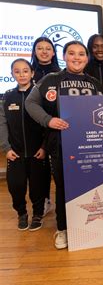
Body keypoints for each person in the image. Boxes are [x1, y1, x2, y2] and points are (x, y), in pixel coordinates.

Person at [25, 41, 102, 249]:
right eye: (71, 53)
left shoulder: (95, 83)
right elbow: (30, 103)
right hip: (61, 144)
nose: (76, 57)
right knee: (63, 188)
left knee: (89, 186)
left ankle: (90, 225)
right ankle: (63, 229)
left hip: (89, 145)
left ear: (87, 58)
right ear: (65, 57)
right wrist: (48, 120)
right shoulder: (52, 79)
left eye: (81, 54)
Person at [0, 59, 48, 231]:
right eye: (17, 71)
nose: (21, 74)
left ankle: (37, 214)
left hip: (38, 153)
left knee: (38, 187)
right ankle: (21, 213)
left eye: (25, 71)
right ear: (12, 74)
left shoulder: (39, 96)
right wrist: (6, 148)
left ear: (32, 73)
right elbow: (2, 124)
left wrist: (44, 147)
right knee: (16, 186)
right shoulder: (7, 96)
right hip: (15, 153)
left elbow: (47, 124)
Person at [30, 37, 58, 216]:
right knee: (39, 169)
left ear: (54, 52)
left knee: (54, 166)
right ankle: (43, 200)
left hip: (53, 126)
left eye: (48, 48)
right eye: (40, 48)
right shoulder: (29, 72)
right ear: (34, 51)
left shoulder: (59, 74)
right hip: (33, 126)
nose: (44, 51)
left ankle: (52, 199)